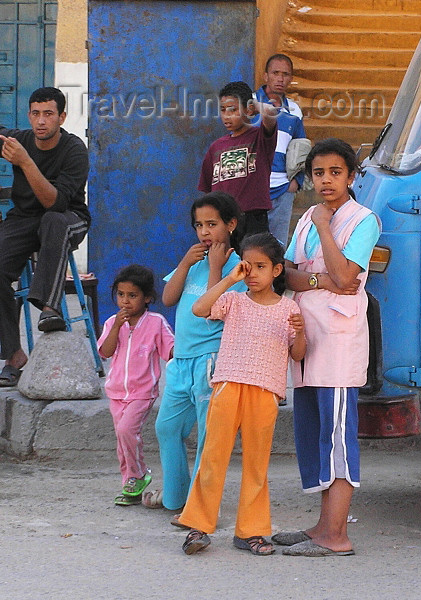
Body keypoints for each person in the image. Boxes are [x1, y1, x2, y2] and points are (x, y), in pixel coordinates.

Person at [272, 138, 380, 557]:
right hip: (306, 337)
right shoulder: (305, 219)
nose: (327, 180)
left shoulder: (362, 220)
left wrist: (322, 228)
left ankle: (338, 535)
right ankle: (322, 526)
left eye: (336, 172)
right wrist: (322, 280)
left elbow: (346, 272)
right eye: (319, 173)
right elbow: (287, 275)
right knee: (315, 435)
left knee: (337, 437)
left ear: (352, 177)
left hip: (337, 342)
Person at [179, 232, 306, 555]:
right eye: (247, 267)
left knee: (256, 464)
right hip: (227, 385)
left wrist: (302, 331)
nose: (252, 274)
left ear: (277, 270)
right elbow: (199, 308)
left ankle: (250, 531)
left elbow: (298, 354)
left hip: (265, 392)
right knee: (213, 457)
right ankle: (197, 527)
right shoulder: (233, 301)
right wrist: (228, 278)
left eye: (260, 267)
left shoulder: (288, 308)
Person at [144, 192, 246, 519]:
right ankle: (176, 498)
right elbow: (169, 298)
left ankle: (202, 508)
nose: (204, 232)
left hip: (210, 361)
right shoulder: (193, 261)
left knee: (208, 436)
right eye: (199, 225)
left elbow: (214, 309)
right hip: (182, 360)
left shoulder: (236, 268)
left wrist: (216, 267)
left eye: (212, 224)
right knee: (167, 427)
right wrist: (186, 264)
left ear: (230, 225)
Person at [0, 87, 89, 387]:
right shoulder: (20, 139)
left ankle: (49, 308)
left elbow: (55, 203)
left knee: (52, 220)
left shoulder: (75, 150)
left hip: (69, 218)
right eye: (35, 114)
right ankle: (13, 355)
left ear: (62, 117)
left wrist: (25, 162)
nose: (41, 121)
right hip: (24, 219)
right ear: (29, 115)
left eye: (48, 114)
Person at [97, 265, 174, 507]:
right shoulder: (112, 323)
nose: (125, 301)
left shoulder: (156, 323)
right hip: (116, 392)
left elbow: (170, 351)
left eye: (133, 295)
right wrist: (118, 327)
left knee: (126, 431)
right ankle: (129, 484)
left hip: (142, 392)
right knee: (123, 440)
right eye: (121, 295)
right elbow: (106, 352)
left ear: (147, 297)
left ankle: (139, 474)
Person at [198, 81, 278, 243]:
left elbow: (270, 111)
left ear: (249, 109)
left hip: (253, 219)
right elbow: (208, 192)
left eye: (233, 109)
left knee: (253, 264)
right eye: (222, 110)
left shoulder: (259, 138)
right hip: (223, 222)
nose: (226, 115)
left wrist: (252, 104)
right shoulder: (216, 147)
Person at [254, 53, 307, 245]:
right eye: (275, 73)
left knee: (277, 247)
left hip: (283, 189)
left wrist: (296, 182)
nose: (280, 78)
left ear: (291, 79)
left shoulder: (294, 111)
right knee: (249, 245)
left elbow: (301, 147)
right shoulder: (249, 105)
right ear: (266, 75)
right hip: (252, 188)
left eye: (285, 74)